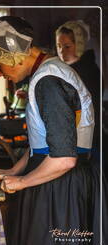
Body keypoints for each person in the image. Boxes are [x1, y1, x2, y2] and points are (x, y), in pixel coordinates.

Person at [0, 16, 101, 245]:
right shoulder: (48, 73)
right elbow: (46, 143)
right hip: (53, 179)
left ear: (12, 54)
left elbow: (64, 159)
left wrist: (23, 181)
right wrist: (13, 171)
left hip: (60, 186)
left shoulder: (49, 81)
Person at [55, 20, 100, 160]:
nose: (62, 51)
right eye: (59, 46)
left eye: (67, 46)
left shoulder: (88, 71)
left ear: (79, 45)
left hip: (85, 135)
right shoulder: (61, 68)